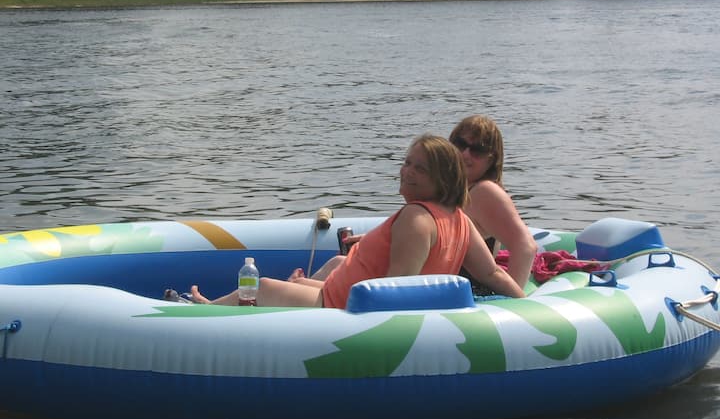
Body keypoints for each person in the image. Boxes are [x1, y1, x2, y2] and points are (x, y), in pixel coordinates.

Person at [190, 134, 525, 309]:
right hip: (342, 294)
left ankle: (202, 314)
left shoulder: (416, 217)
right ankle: (211, 307)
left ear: (443, 180)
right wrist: (527, 305)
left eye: (420, 169)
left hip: (341, 307)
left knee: (263, 287)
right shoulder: (460, 219)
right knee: (305, 279)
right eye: (407, 163)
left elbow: (397, 288)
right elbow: (492, 273)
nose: (406, 172)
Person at [449, 115, 537, 291]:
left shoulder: (485, 192)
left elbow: (525, 246)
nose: (465, 154)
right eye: (460, 144)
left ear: (491, 160)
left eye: (477, 150)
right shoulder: (453, 190)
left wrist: (511, 299)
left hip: (470, 294)